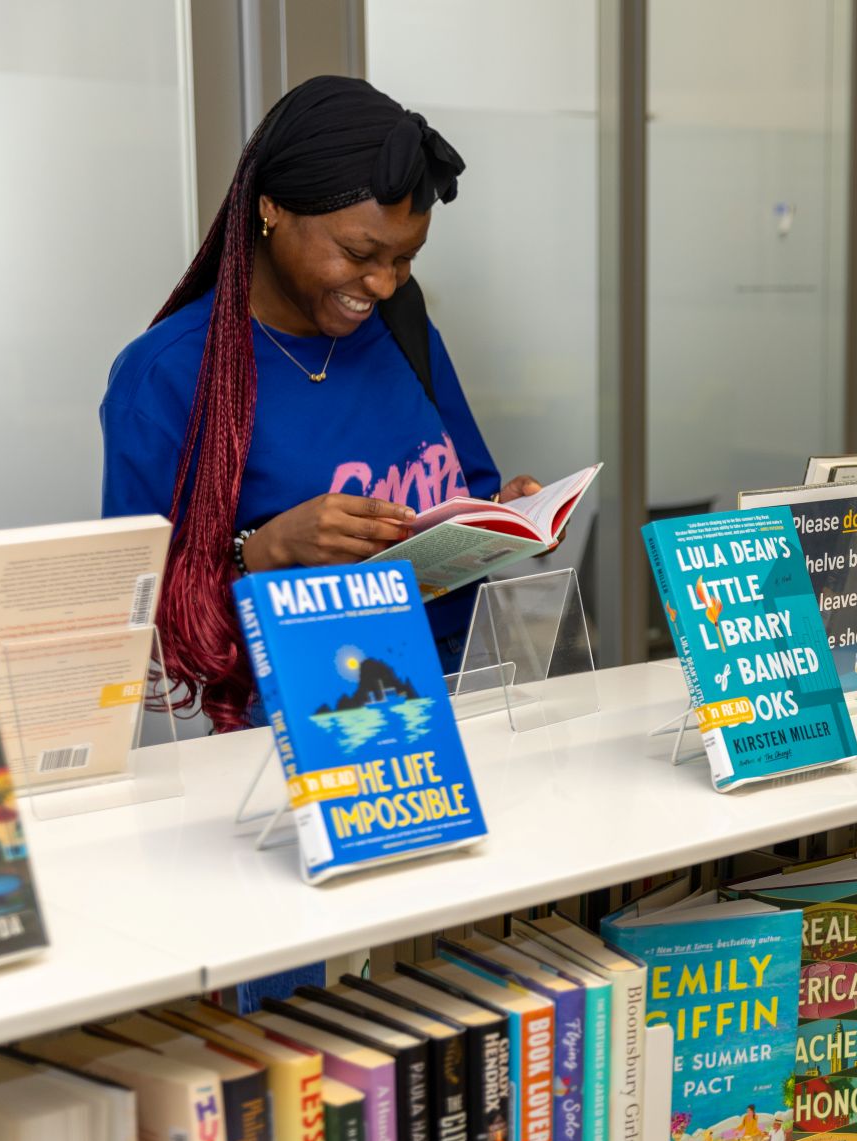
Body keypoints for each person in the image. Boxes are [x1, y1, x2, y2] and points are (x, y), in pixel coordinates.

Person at [102, 75, 540, 731]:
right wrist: (266, 550)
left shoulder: (401, 326)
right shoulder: (167, 374)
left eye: (406, 259)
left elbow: (463, 489)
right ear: (272, 209)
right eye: (360, 253)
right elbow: (134, 612)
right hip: (298, 718)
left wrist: (503, 518)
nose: (384, 284)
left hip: (462, 688)